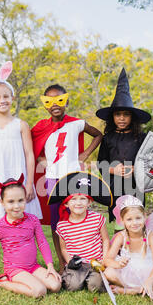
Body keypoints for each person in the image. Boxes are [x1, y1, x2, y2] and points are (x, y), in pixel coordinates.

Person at [32, 84, 102, 271]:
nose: (55, 104)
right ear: (45, 104)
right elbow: (32, 147)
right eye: (49, 101)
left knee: (75, 216)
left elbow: (98, 134)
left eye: (60, 100)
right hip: (52, 180)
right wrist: (41, 159)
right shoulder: (41, 127)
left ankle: (82, 256)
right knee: (56, 222)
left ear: (67, 101)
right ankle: (62, 263)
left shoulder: (77, 123)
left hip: (73, 179)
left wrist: (85, 154)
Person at [0, 175, 61, 298]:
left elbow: (42, 242)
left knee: (56, 286)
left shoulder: (33, 220)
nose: (16, 206)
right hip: (15, 269)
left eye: (20, 200)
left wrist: (50, 267)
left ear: (25, 200)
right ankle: (3, 281)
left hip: (33, 266)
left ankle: (31, 278)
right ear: (2, 203)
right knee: (39, 291)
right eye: (11, 201)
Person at [0, 61, 42, 225]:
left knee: (24, 222)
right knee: (2, 223)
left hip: (19, 177)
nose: (2, 100)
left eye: (6, 96)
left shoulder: (21, 125)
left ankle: (24, 250)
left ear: (12, 98)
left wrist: (29, 183)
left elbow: (30, 155)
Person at [96, 68, 151, 229]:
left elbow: (150, 162)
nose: (121, 118)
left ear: (132, 117)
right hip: (114, 187)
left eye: (126, 114)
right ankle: (119, 252)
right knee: (119, 224)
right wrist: (113, 169)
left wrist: (136, 168)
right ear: (112, 117)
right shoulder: (108, 138)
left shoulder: (141, 138)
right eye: (118, 114)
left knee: (135, 224)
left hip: (135, 186)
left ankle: (137, 251)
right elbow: (101, 163)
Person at [103, 195, 153, 299]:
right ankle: (142, 290)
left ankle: (135, 289)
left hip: (149, 272)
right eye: (129, 219)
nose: (134, 223)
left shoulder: (150, 236)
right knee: (109, 272)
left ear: (144, 217)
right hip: (128, 273)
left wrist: (150, 281)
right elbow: (107, 260)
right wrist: (118, 264)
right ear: (123, 221)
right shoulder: (121, 237)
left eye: (138, 218)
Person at [47, 171, 112, 292]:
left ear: (89, 202)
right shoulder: (62, 226)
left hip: (95, 262)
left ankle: (93, 279)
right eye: (74, 199)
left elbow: (106, 240)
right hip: (76, 265)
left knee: (96, 286)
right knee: (73, 286)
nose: (78, 203)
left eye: (83, 199)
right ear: (66, 204)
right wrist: (69, 261)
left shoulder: (97, 219)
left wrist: (104, 258)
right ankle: (76, 278)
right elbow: (64, 249)